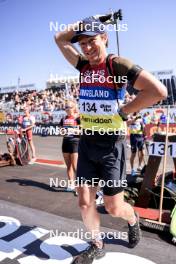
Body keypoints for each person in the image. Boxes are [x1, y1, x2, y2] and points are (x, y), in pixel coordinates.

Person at [55, 16, 167, 263]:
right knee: (84, 203)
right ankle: (97, 243)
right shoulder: (83, 65)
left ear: (104, 38)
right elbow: (59, 38)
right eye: (82, 43)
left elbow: (159, 91)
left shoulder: (116, 64)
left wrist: (126, 110)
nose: (87, 47)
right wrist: (90, 20)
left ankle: (132, 219)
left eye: (92, 41)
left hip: (111, 146)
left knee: (114, 207)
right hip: (87, 143)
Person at [60, 101, 80, 191]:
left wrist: (71, 131)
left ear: (74, 108)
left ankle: (80, 187)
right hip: (65, 142)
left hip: (75, 142)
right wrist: (62, 131)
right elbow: (61, 131)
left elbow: (82, 131)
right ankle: (71, 184)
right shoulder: (63, 118)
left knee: (75, 166)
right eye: (66, 107)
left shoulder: (78, 118)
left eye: (69, 107)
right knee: (68, 166)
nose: (67, 109)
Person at [128, 112, 145, 176]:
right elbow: (128, 123)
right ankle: (132, 169)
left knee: (142, 153)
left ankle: (139, 166)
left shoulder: (140, 117)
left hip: (140, 137)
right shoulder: (130, 116)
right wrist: (135, 118)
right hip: (133, 137)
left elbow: (143, 126)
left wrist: (145, 135)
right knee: (133, 154)